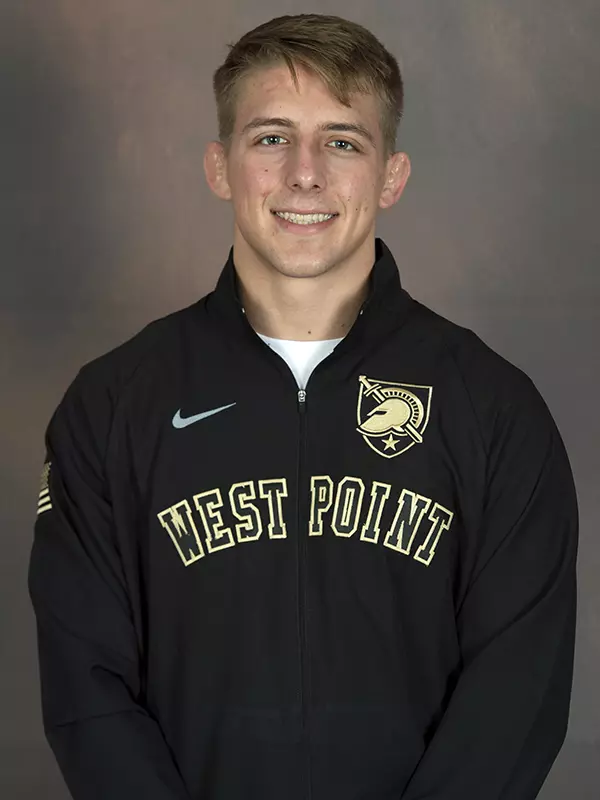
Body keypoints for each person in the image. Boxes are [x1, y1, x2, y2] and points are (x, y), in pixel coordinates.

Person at [28, 13, 578, 800]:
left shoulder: (495, 411)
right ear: (220, 166)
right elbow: (87, 689)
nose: (305, 174)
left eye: (344, 141)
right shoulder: (112, 405)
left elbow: (516, 697)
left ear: (392, 175)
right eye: (271, 138)